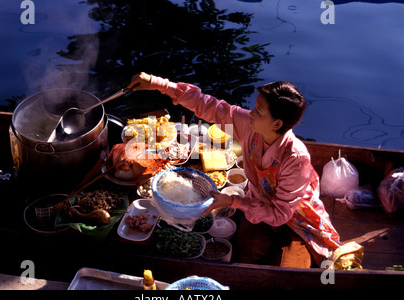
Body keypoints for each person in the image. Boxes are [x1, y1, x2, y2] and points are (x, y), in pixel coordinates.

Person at [127, 72, 340, 268]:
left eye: (258, 111)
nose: (251, 113)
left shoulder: (296, 159)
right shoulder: (251, 126)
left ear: (277, 124)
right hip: (260, 203)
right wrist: (158, 84)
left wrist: (232, 201)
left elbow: (279, 214)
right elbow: (208, 105)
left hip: (295, 217)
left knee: (287, 270)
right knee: (244, 255)